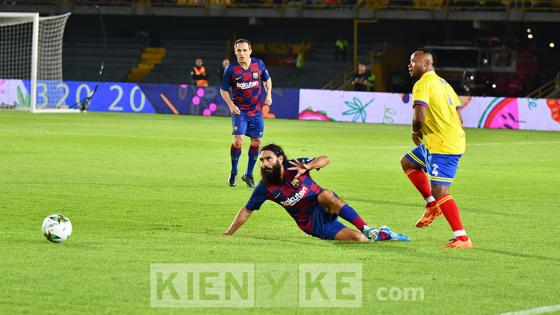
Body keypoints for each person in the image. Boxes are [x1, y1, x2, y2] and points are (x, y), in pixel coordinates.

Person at [224, 144, 410, 242]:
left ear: (280, 159)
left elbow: (326, 159)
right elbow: (247, 210)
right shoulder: (265, 187)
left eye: (268, 159)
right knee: (359, 240)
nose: (264, 164)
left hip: (324, 205)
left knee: (325, 194)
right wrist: (228, 233)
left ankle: (366, 227)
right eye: (262, 160)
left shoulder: (295, 166)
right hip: (312, 224)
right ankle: (384, 234)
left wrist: (309, 166)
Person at [400, 49, 472, 248]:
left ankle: (462, 238)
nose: (410, 65)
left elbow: (419, 116)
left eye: (413, 61)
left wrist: (415, 131)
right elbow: (460, 118)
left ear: (426, 64)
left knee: (440, 190)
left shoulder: (423, 84)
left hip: (442, 145)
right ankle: (432, 205)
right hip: (438, 141)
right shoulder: (444, 84)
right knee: (408, 162)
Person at [220, 39, 272, 188]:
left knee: (256, 142)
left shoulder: (259, 64)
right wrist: (230, 105)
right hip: (239, 111)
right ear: (235, 52)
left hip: (256, 111)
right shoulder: (231, 69)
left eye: (244, 50)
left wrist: (269, 95)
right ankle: (234, 171)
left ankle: (248, 174)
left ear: (250, 51)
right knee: (238, 141)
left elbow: (267, 80)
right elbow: (223, 90)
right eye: (238, 51)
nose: (242, 53)